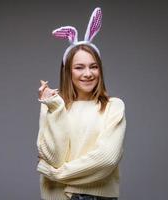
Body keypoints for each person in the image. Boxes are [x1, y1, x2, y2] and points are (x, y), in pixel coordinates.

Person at [36, 7, 126, 200]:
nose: (88, 73)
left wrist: (56, 174)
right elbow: (54, 158)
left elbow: (106, 160)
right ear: (68, 71)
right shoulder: (51, 105)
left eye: (94, 66)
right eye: (79, 67)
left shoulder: (114, 106)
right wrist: (55, 107)